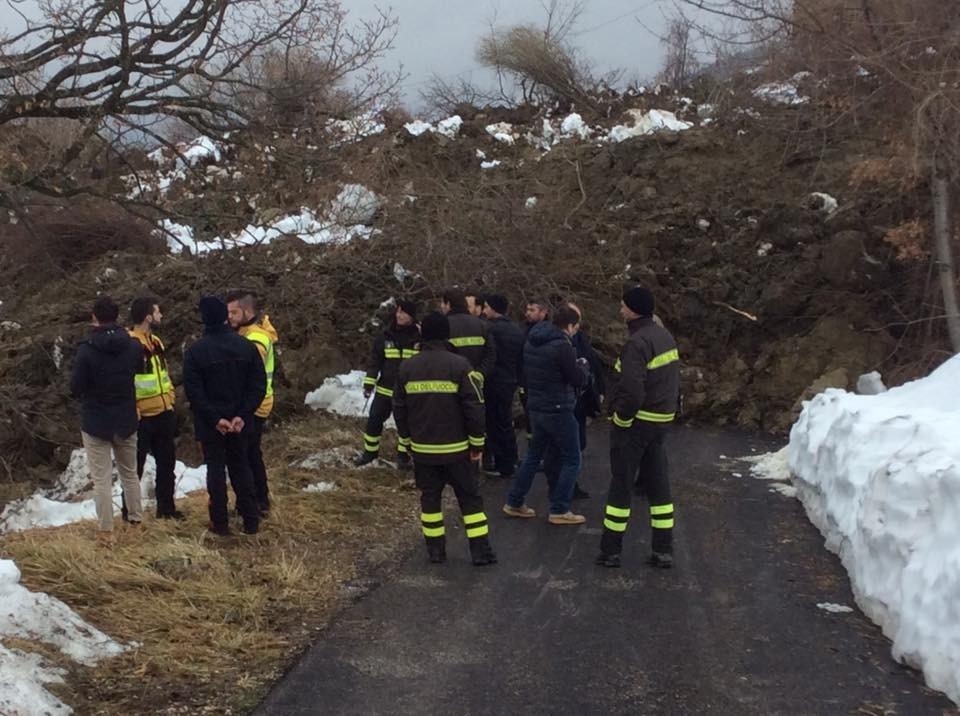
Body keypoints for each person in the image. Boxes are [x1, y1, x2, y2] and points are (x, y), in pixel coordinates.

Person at [393, 312, 496, 566]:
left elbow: (399, 409)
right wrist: (477, 443)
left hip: (423, 451)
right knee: (470, 500)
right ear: (446, 334)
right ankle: (481, 552)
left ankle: (435, 552)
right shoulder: (460, 366)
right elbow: (474, 407)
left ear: (423, 335)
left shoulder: (407, 367)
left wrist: (406, 441)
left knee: (430, 501)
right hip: (458, 451)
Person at [596, 287, 680, 569]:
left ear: (633, 310)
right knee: (658, 484)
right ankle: (663, 549)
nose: (620, 310)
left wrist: (621, 419)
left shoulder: (637, 343)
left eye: (623, 306)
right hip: (660, 422)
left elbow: (632, 391)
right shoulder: (664, 337)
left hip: (636, 424)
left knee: (621, 484)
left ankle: (610, 551)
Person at [184, 297, 266, 536]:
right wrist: (242, 414)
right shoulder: (246, 346)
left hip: (211, 426)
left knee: (215, 472)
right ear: (224, 317)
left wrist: (215, 419)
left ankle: (220, 523)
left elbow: (194, 392)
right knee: (242, 468)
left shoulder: (195, 352)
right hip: (241, 422)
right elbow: (258, 385)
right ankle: (251, 520)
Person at [503, 305, 588, 525]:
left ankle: (514, 501)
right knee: (573, 458)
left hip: (536, 406)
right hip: (558, 408)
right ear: (570, 326)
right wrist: (583, 367)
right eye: (576, 327)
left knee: (533, 456)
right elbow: (577, 379)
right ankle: (560, 508)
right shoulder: (562, 346)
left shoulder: (533, 339)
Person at [70, 296, 144, 539]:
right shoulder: (133, 345)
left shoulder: (86, 350)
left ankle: (106, 530)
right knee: (130, 473)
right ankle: (136, 521)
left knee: (101, 480)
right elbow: (139, 370)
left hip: (96, 420)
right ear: (117, 316)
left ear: (94, 318)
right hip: (126, 417)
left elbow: (76, 387)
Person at [126, 296, 183, 520]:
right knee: (135, 469)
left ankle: (166, 510)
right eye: (158, 312)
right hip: (141, 417)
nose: (161, 316)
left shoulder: (156, 342)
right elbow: (125, 380)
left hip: (163, 412)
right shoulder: (130, 344)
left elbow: (163, 372)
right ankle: (130, 513)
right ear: (148, 317)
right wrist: (133, 408)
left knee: (167, 465)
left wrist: (170, 398)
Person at [225, 290, 278, 517]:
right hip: (254, 402)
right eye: (228, 312)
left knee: (247, 455)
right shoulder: (246, 333)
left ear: (247, 311)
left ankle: (254, 502)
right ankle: (258, 500)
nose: (230, 317)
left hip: (254, 405)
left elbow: (243, 370)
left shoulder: (256, 338)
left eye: (234, 312)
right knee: (251, 453)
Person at [355, 299, 421, 468]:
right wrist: (369, 383)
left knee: (406, 426)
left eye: (403, 312)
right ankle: (369, 454)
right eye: (398, 311)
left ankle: (403, 457)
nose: (399, 315)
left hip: (408, 392)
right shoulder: (385, 336)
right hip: (385, 390)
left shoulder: (419, 337)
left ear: (412, 316)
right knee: (374, 421)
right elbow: (375, 362)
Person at [480, 294, 523, 478]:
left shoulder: (490, 329)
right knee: (506, 421)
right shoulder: (515, 329)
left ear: (493, 308)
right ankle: (512, 459)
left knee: (495, 424)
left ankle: (502, 465)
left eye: (486, 307)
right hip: (510, 380)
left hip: (494, 381)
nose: (484, 311)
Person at [439, 288, 496, 379]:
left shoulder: (442, 325)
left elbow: (439, 355)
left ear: (448, 304)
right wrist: (479, 374)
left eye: (442, 303)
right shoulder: (482, 325)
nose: (441, 306)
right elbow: (491, 354)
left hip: (452, 380)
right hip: (477, 381)